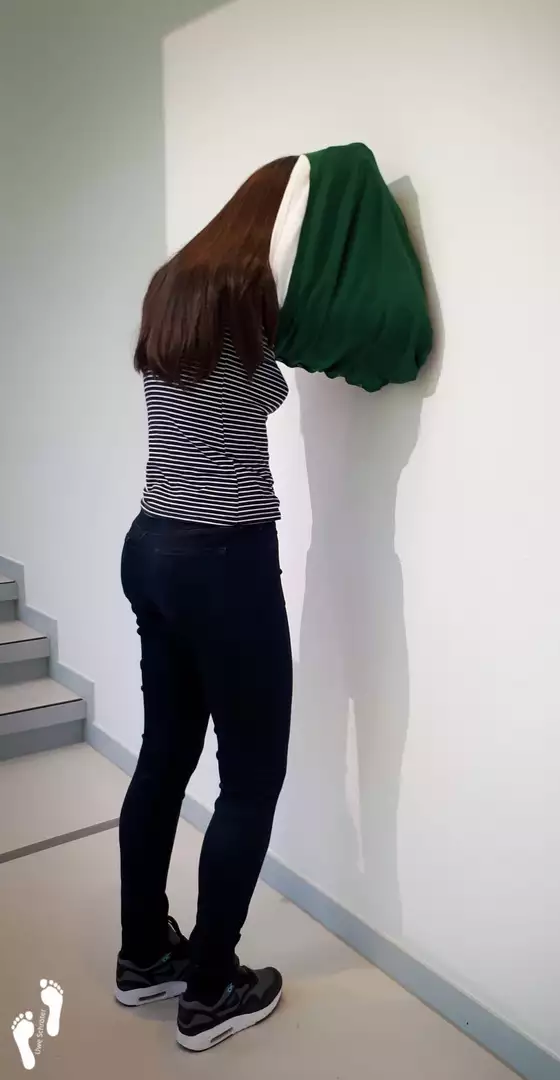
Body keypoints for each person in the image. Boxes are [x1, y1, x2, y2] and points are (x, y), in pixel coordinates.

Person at [115, 156, 298, 1053]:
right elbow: (271, 394)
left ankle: (144, 954)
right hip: (225, 557)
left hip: (152, 544)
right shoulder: (242, 298)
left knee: (164, 754)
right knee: (252, 777)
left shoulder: (170, 288)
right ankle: (212, 988)